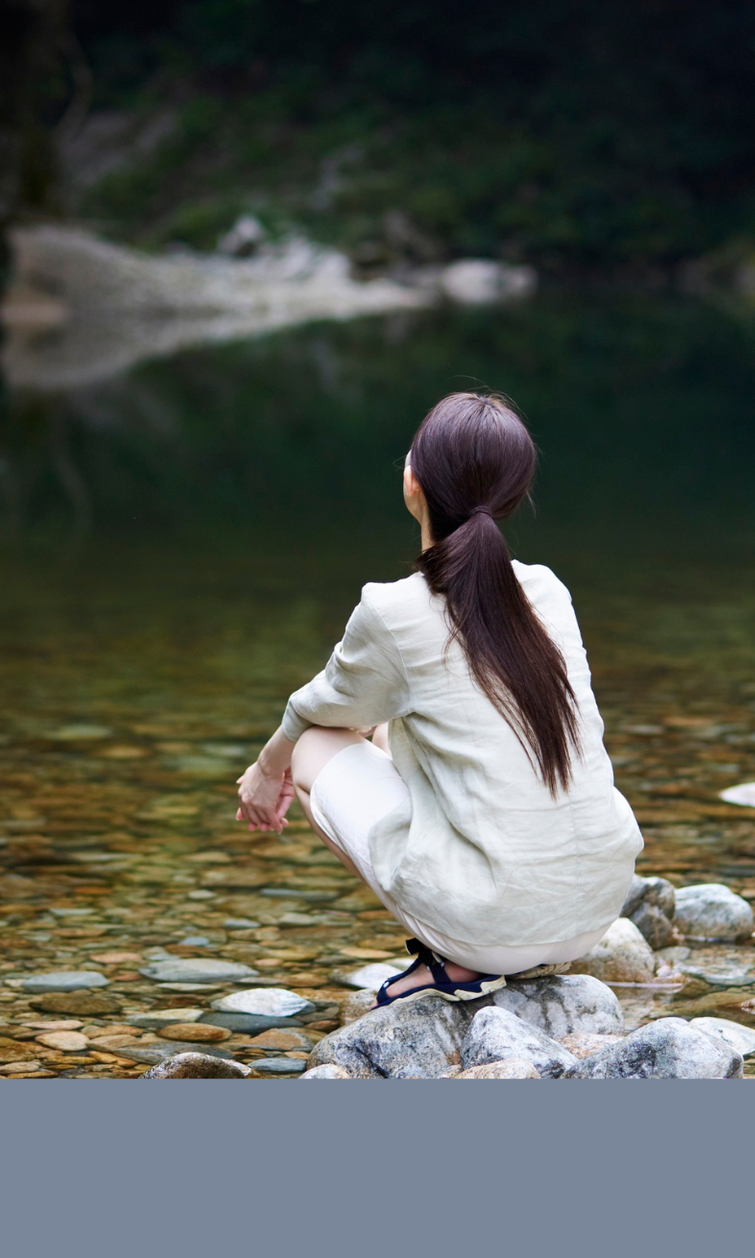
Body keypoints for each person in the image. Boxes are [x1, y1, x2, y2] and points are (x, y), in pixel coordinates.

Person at [236, 391, 643, 1007]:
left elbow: (314, 712)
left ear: (413, 481)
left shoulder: (395, 610)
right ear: (513, 493)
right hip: (594, 910)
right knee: (386, 732)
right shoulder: (548, 592)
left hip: (492, 927)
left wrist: (268, 770)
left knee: (317, 746)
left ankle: (450, 958)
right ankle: (492, 941)